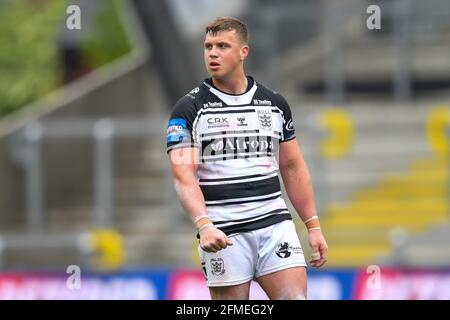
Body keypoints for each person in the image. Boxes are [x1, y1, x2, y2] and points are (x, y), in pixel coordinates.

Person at [166, 17, 328, 300]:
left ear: (244, 52)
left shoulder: (274, 104)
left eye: (222, 46)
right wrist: (204, 226)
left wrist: (312, 226)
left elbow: (291, 166)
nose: (212, 53)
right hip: (224, 234)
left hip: (275, 225)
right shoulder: (188, 109)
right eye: (208, 46)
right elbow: (183, 176)